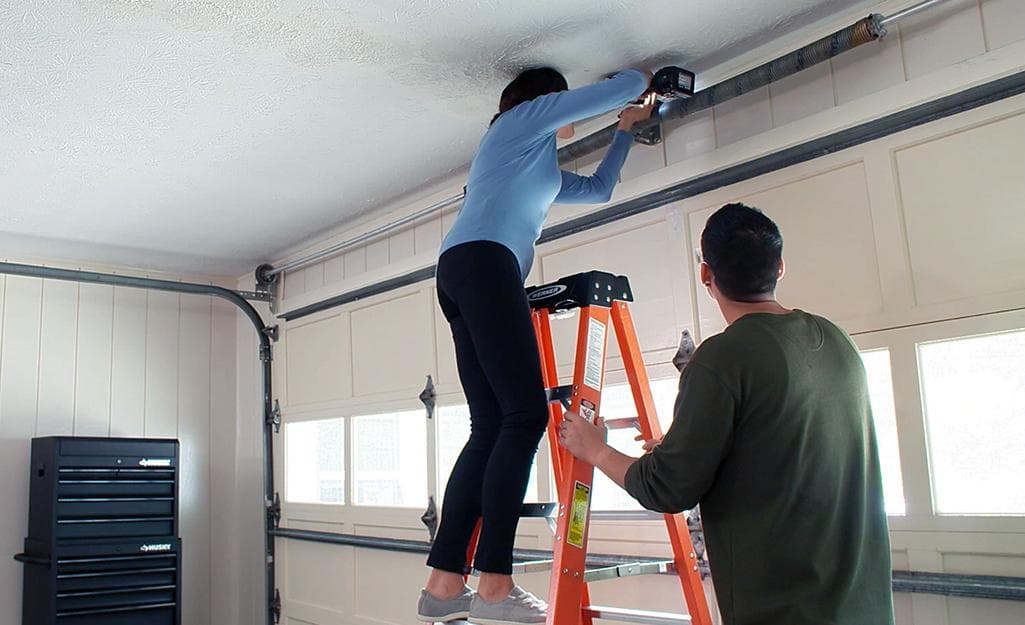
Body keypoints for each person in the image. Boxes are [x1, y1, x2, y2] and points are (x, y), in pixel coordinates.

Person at [559, 203, 895, 625]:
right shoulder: (836, 340)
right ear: (781, 267)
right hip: (865, 608)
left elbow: (666, 488)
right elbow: (787, 447)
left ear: (706, 274)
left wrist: (596, 450)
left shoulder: (720, 359)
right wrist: (689, 448)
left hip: (785, 611)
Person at [416, 67, 655, 625]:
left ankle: (444, 584)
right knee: (523, 417)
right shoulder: (513, 127)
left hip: (463, 269)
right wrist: (642, 82)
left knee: (491, 424)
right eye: (559, 101)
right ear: (543, 102)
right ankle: (495, 585)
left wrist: (625, 130)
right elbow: (615, 86)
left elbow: (597, 189)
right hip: (485, 263)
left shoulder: (538, 166)